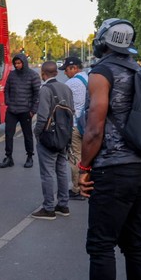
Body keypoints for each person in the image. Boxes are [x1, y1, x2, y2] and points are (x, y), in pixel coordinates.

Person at [59, 18, 141, 280]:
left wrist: (84, 168)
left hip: (113, 170)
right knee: (135, 245)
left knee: (101, 246)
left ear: (102, 41)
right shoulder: (137, 70)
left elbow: (94, 128)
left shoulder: (102, 73)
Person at [31, 61, 73, 220]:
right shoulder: (66, 88)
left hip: (49, 137)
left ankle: (48, 207)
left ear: (43, 73)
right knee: (62, 170)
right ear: (56, 72)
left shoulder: (45, 90)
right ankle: (63, 204)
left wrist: (37, 133)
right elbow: (71, 112)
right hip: (64, 137)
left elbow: (42, 117)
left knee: (47, 172)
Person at [0, 53, 40, 169]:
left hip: (25, 111)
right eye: (15, 63)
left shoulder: (33, 75)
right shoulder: (12, 75)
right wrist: (8, 101)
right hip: (12, 110)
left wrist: (33, 110)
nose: (17, 65)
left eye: (19, 63)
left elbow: (37, 94)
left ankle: (30, 156)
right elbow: (6, 89)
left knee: (27, 135)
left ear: (24, 63)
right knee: (8, 134)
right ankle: (8, 157)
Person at [59, 56, 88, 201]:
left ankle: (77, 189)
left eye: (66, 69)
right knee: (89, 157)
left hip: (76, 125)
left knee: (76, 157)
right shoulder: (89, 78)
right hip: (89, 125)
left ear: (74, 68)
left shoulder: (71, 83)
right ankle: (88, 185)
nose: (65, 73)